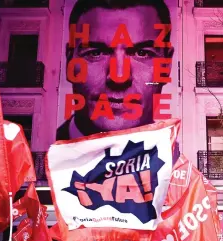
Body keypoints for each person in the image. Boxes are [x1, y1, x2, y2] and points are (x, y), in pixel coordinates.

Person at [57, 0, 174, 140]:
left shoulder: (179, 161)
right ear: (70, 61)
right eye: (95, 53)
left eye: (142, 53)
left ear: (167, 65)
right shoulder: (34, 160)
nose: (119, 77)